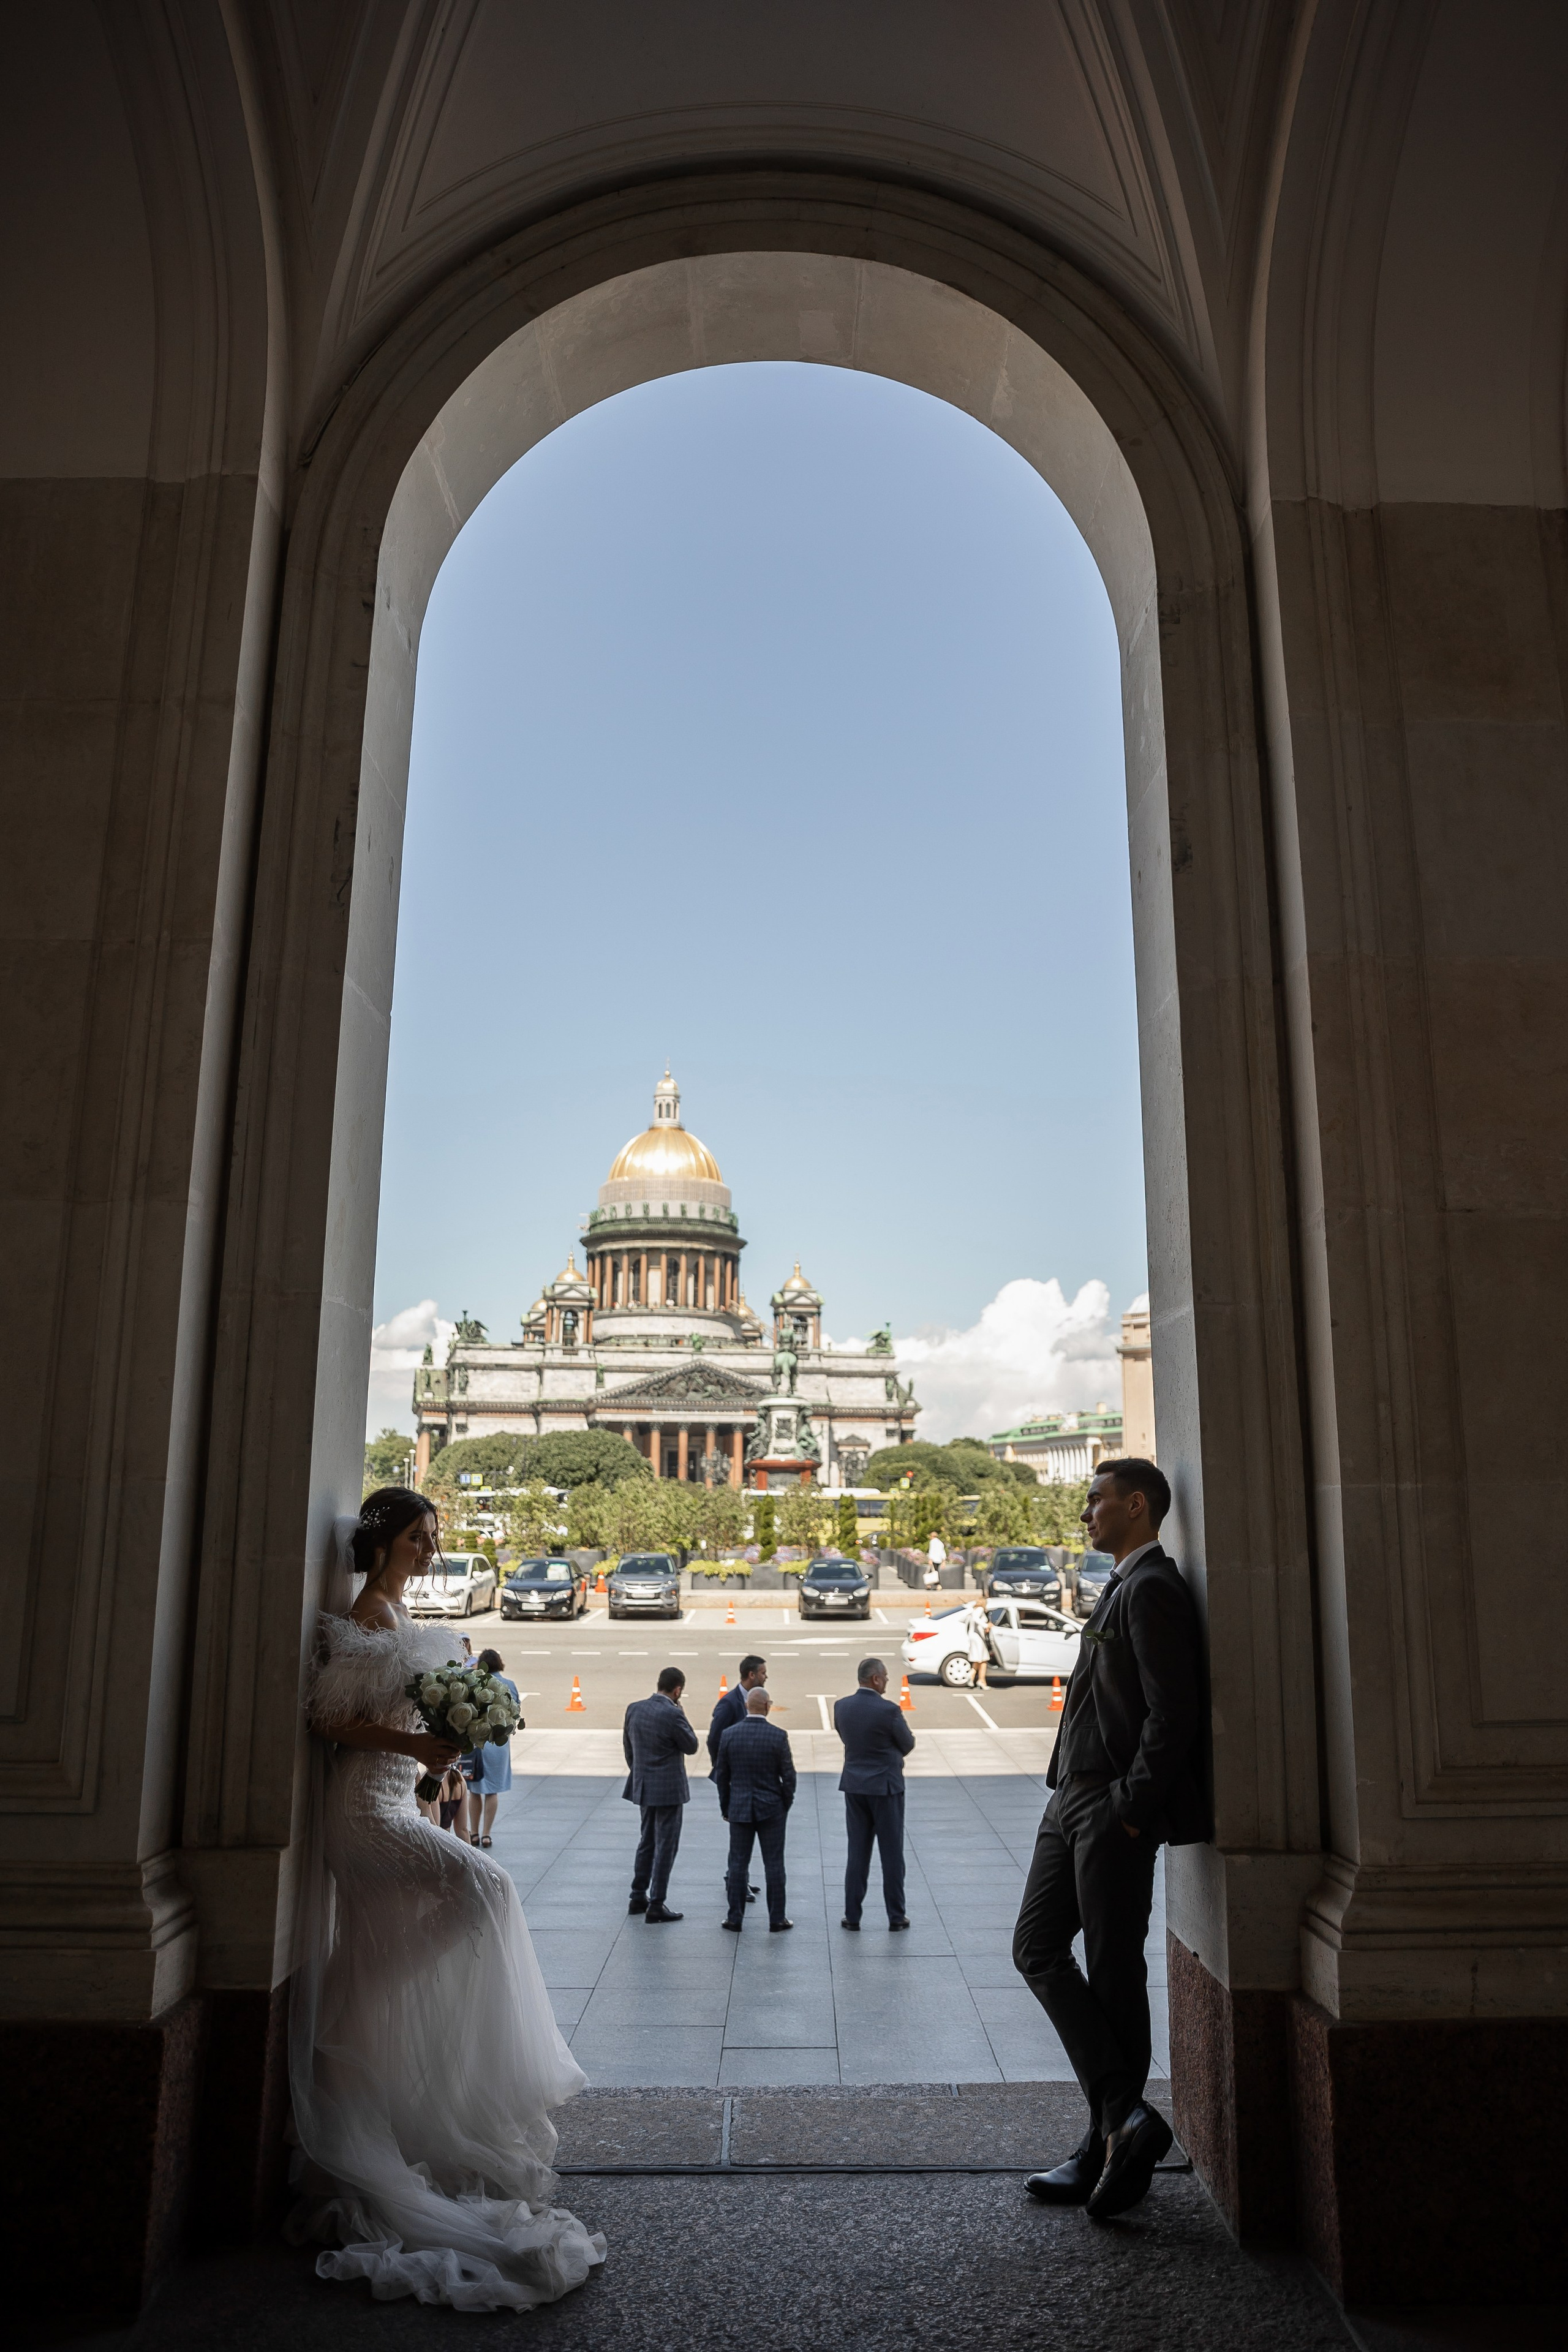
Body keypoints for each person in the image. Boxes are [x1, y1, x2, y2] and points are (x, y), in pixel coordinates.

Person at [290, 1485, 605, 2312]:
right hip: (364, 1809)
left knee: (478, 1896)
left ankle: (359, 2007)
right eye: (422, 1536)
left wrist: (438, 1759)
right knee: (487, 1887)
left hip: (398, 1796)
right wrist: (414, 1742)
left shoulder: (396, 1612)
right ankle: (360, 2006)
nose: (432, 1548)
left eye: (434, 1536)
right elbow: (329, 1721)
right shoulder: (367, 1611)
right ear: (388, 1539)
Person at [1012, 1458, 1208, 2221]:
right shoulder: (1126, 1584)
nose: (1084, 1513)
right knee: (1036, 1948)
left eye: (1095, 1501)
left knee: (1113, 1966)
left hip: (1108, 1805)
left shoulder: (1153, 1587)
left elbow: (1173, 1712)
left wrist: (1131, 1806)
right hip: (1074, 1797)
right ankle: (1123, 2119)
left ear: (1135, 1505)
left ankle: (1110, 2138)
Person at [833, 1656, 914, 1930]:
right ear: (876, 1678)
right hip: (886, 1788)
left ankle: (852, 1916)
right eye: (886, 1677)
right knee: (892, 1855)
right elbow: (907, 1744)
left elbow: (847, 1739)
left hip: (855, 1787)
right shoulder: (889, 1711)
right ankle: (895, 1916)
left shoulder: (841, 1706)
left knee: (857, 1853)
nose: (888, 1681)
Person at [713, 1687, 796, 1931]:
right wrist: (784, 1804)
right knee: (774, 1864)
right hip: (771, 1809)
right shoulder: (778, 1736)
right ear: (768, 1706)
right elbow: (789, 1776)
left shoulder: (730, 1735)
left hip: (739, 1809)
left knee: (738, 1863)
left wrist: (726, 1806)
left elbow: (722, 1776)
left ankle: (734, 1918)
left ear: (748, 1706)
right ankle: (777, 1918)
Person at [622, 1666, 699, 1922]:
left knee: (647, 1841)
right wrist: (682, 1715)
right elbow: (691, 1746)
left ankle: (637, 1896)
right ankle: (657, 1903)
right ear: (678, 1691)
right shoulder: (672, 1714)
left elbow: (629, 1749)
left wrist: (641, 1772)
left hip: (644, 1785)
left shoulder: (635, 1708)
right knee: (666, 1845)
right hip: (669, 1790)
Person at [707, 1652, 767, 1904]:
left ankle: (736, 1876)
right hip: (734, 1781)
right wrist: (724, 1772)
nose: (766, 1677)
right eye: (763, 1673)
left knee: (742, 1832)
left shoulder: (753, 1699)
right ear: (751, 1675)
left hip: (749, 1778)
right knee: (739, 1833)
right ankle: (736, 1880)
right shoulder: (729, 1704)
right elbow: (714, 1740)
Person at [465, 1646, 522, 1847]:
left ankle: (473, 1833)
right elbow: (516, 1713)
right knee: (492, 1791)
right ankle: (487, 1834)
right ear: (499, 1663)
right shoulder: (509, 1684)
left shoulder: (474, 1683)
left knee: (474, 1790)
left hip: (477, 1743)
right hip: (499, 1744)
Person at [963, 1597, 993, 1690]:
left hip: (974, 1637)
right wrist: (986, 1625)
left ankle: (972, 1676)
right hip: (978, 1638)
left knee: (978, 1659)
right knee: (984, 1659)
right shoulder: (980, 1610)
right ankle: (982, 1681)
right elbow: (976, 1619)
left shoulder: (974, 1610)